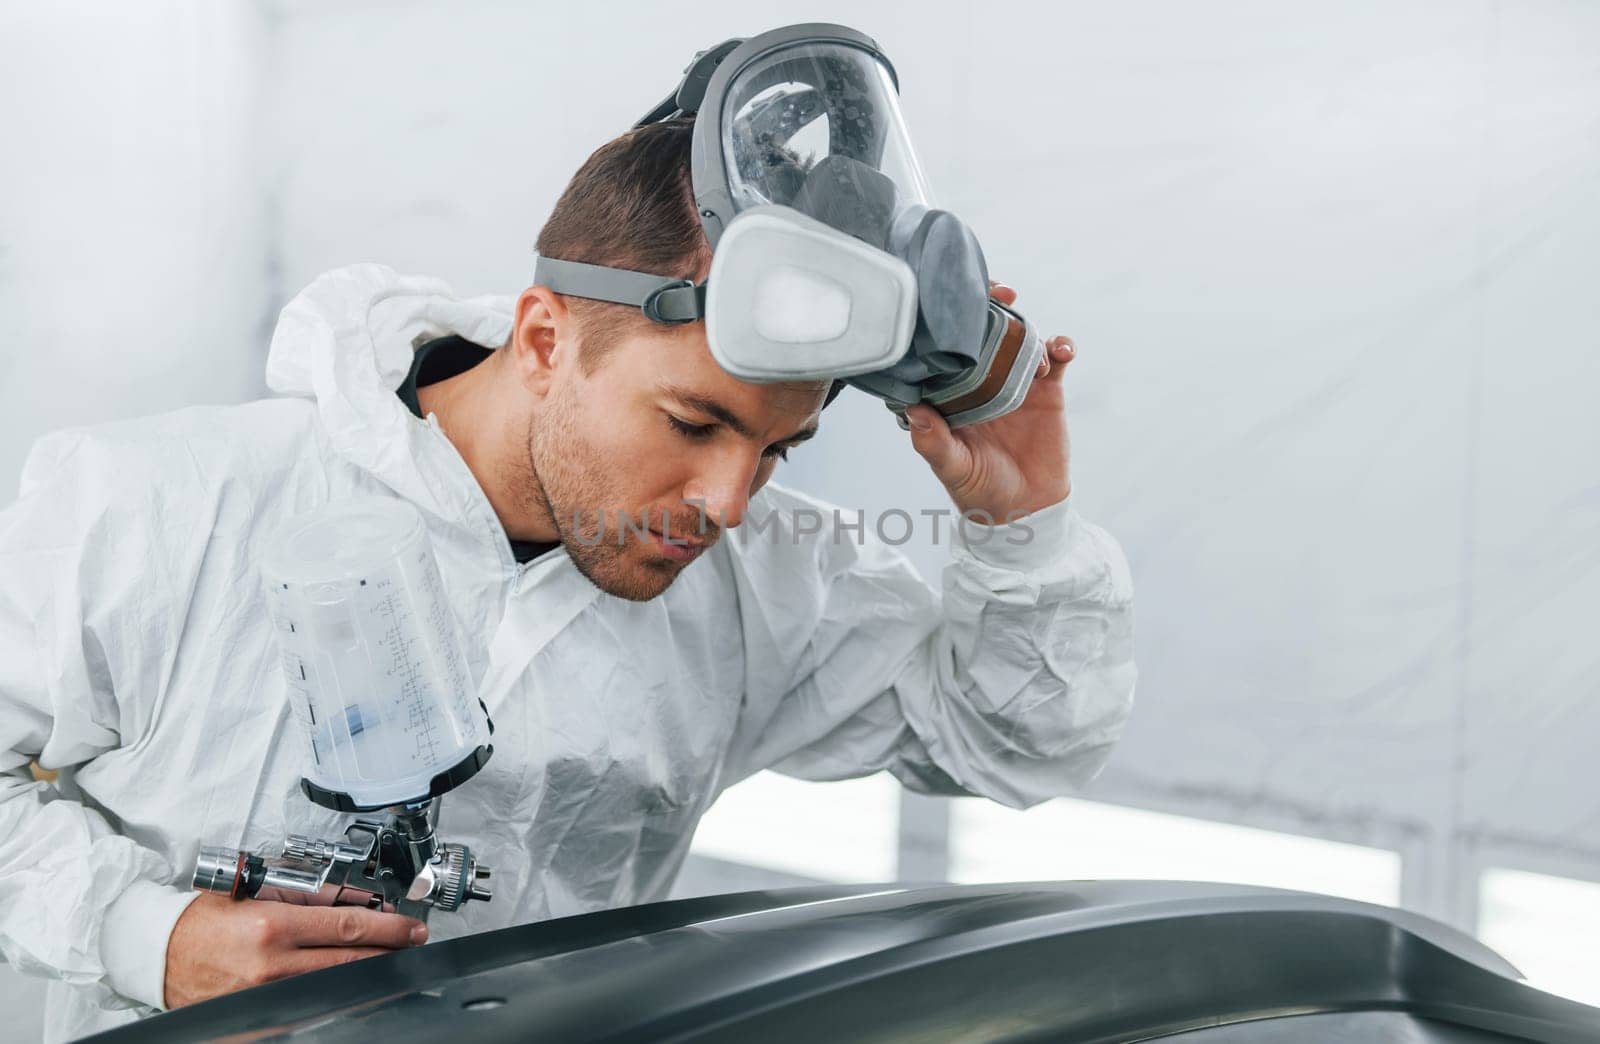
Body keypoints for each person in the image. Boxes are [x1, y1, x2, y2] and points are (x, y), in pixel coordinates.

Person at [0, 112, 1135, 1039]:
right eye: (694, 421)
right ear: (544, 339)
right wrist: (143, 937)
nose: (728, 502)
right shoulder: (150, 503)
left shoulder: (764, 584)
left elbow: (1012, 744)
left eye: (778, 450)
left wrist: (1020, 517)